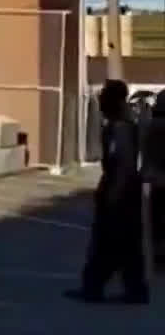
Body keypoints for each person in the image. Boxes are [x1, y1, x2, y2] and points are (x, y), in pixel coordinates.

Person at [66, 79, 149, 304]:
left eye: (104, 97)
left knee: (108, 243)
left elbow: (123, 165)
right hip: (123, 194)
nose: (101, 101)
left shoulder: (121, 129)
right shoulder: (120, 126)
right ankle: (133, 290)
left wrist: (113, 197)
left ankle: (95, 287)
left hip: (120, 196)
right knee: (127, 245)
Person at [145, 90, 165, 272]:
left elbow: (149, 154)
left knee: (157, 221)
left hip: (158, 180)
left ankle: (159, 256)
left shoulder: (153, 126)